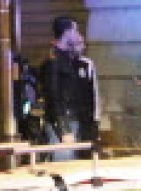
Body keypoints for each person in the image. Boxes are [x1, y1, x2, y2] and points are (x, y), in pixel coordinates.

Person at [39, 16, 100, 161]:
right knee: (64, 164)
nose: (78, 35)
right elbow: (53, 96)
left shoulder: (68, 58)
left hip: (74, 120)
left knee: (73, 164)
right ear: (67, 32)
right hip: (64, 122)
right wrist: (63, 128)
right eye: (75, 31)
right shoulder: (53, 60)